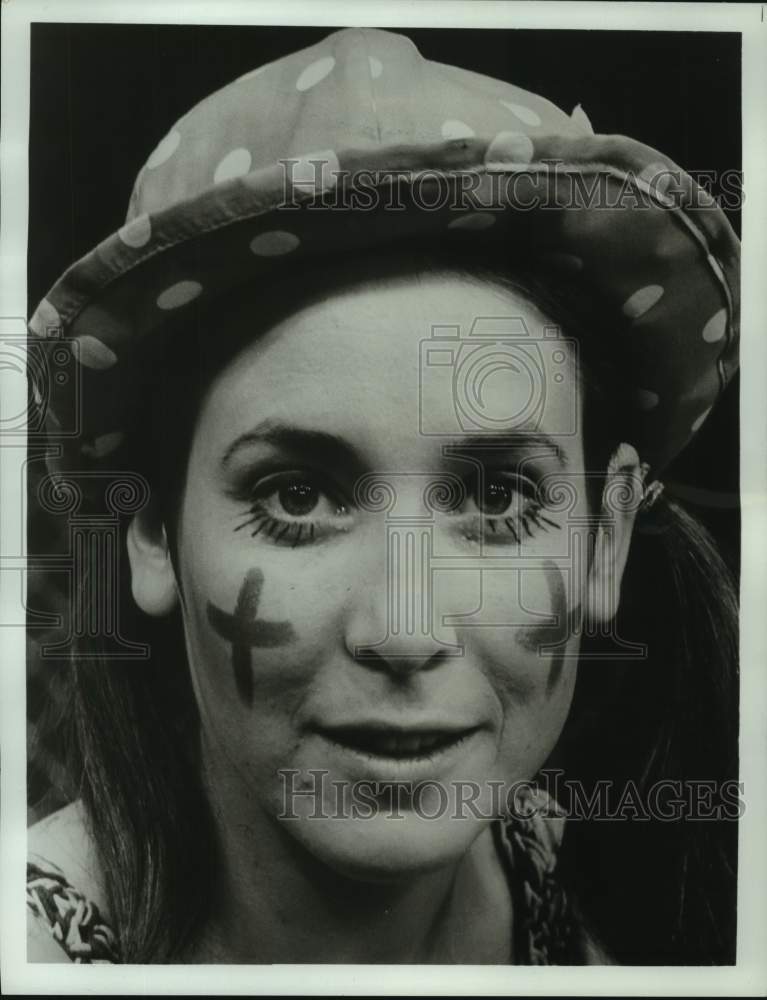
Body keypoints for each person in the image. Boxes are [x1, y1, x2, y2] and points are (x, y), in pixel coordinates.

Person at [25, 27, 739, 965]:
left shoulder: (571, 867)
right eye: (297, 496)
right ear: (151, 530)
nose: (403, 630)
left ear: (604, 543)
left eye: (495, 499)